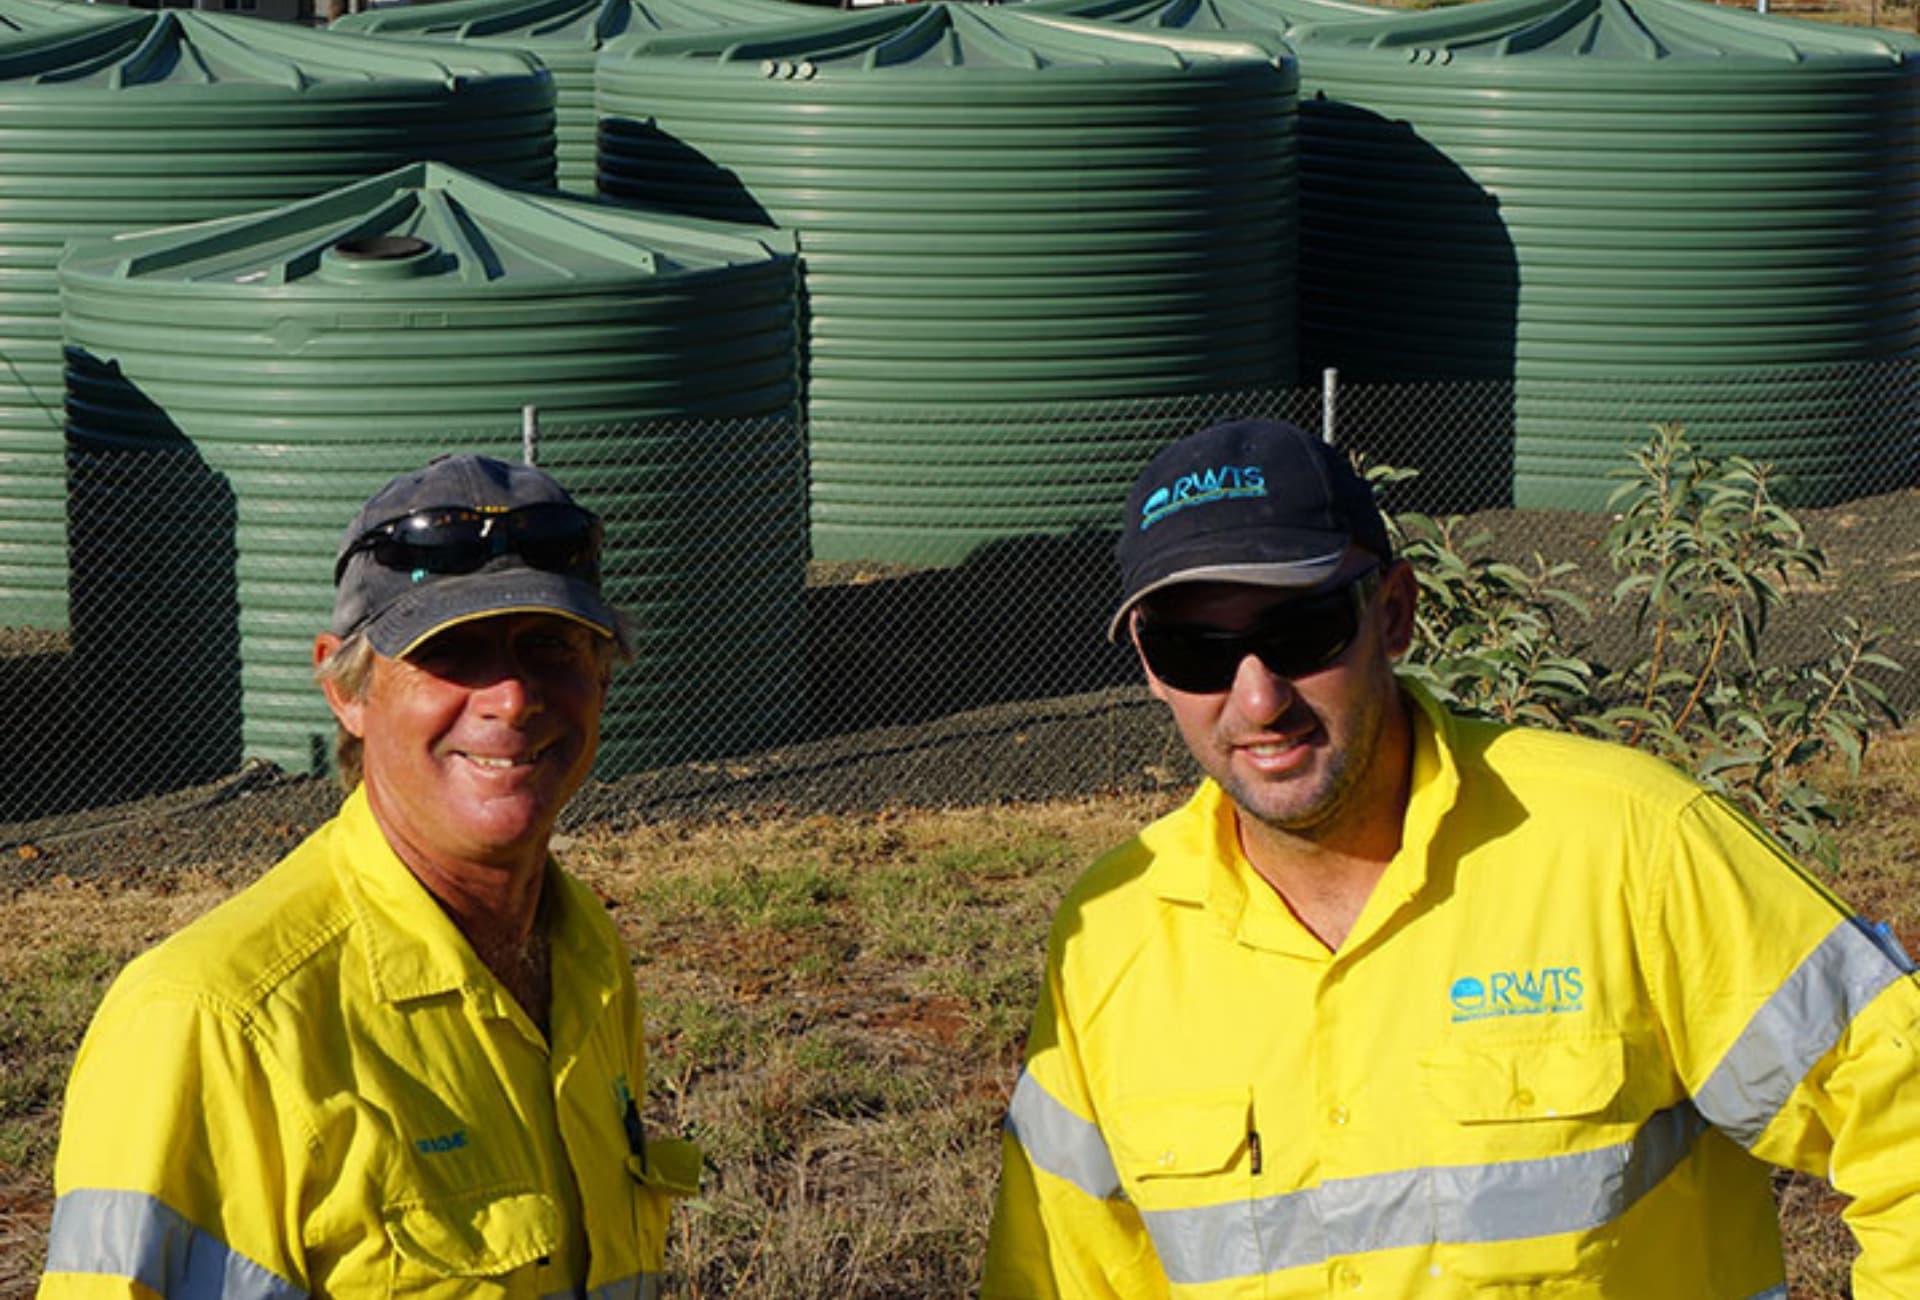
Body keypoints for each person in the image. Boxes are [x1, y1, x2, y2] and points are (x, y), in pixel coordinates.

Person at [982, 418, 1920, 1298]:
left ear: (1393, 613)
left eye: (1301, 632)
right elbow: (1060, 1271)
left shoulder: (1627, 847)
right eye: (1197, 650)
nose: (1258, 698)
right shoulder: (1111, 937)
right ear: (1148, 665)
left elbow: (1902, 1117)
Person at [40, 454, 699, 1298]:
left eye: (550, 646)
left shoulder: (587, 959)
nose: (510, 697)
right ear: (345, 688)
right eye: (452, 652)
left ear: (603, 677)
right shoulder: (214, 1025)